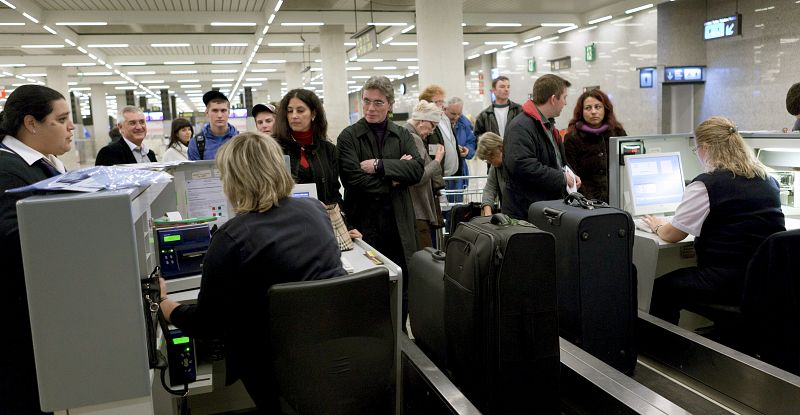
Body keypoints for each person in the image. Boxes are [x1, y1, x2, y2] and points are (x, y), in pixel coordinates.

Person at [158, 132, 345, 412]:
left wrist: (165, 304)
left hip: (274, 367)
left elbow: (209, 324)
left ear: (233, 180)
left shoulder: (232, 237)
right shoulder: (315, 210)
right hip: (332, 350)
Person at [644, 116, 786, 326]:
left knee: (660, 289)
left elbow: (673, 235)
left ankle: (665, 352)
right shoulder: (769, 180)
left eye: (696, 150)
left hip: (725, 281)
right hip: (765, 280)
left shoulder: (706, 184)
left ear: (706, 147)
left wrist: (656, 225)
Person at [0, 84, 74, 414]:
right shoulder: (8, 171)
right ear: (32, 124)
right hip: (20, 327)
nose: (71, 126)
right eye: (62, 119)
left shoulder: (43, 163)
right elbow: (18, 242)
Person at [337, 75, 424, 327]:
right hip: (364, 223)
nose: (371, 108)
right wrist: (396, 178)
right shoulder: (349, 137)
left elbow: (417, 171)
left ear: (390, 105)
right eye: (366, 102)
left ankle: (400, 332)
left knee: (403, 278)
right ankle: (373, 334)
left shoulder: (401, 135)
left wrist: (379, 165)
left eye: (378, 103)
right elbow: (354, 180)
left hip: (399, 224)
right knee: (368, 282)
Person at [272, 89, 361, 242]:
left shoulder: (328, 150)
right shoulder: (273, 148)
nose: (294, 116)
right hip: (285, 228)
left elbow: (334, 193)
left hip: (322, 227)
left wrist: (347, 225)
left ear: (313, 114)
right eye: (290, 111)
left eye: (300, 110)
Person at [503, 74, 580, 219]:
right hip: (526, 213)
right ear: (553, 99)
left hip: (543, 208)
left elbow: (555, 159)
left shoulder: (547, 125)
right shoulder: (521, 126)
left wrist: (570, 174)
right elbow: (522, 166)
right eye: (564, 97)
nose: (565, 103)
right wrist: (562, 178)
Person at [563, 89, 627, 202]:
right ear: (581, 112)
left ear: (605, 109)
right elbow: (571, 173)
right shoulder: (572, 138)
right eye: (588, 108)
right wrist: (585, 199)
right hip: (587, 201)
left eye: (598, 107)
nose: (593, 111)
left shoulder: (617, 132)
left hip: (617, 197)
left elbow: (628, 162)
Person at [403, 100, 445, 248]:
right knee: (426, 255)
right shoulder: (414, 139)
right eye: (432, 125)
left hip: (410, 207)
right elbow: (418, 177)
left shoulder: (404, 134)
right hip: (418, 207)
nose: (432, 131)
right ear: (422, 121)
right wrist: (437, 161)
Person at [187, 90, 239, 160]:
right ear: (207, 113)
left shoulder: (241, 141)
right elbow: (194, 170)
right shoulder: (196, 144)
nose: (220, 115)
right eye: (215, 111)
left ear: (229, 112)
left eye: (223, 110)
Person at [445, 97, 477, 203]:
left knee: (456, 204)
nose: (456, 117)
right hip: (443, 171)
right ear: (445, 109)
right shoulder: (439, 123)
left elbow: (472, 142)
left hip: (459, 171)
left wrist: (467, 151)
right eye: (453, 114)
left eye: (459, 113)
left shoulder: (465, 124)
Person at [476, 132, 507, 216]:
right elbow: (490, 188)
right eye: (487, 160)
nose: (490, 162)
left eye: (491, 157)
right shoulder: (495, 167)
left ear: (500, 148)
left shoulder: (515, 161)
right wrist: (487, 213)